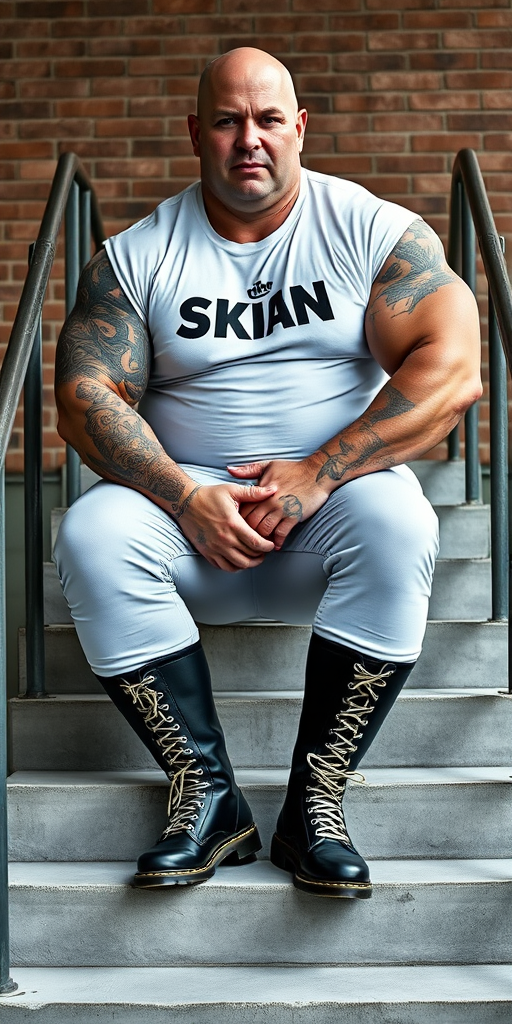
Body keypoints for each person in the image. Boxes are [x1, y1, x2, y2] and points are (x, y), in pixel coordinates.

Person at [54, 47, 481, 899]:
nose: (249, 139)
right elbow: (82, 394)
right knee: (90, 532)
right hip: (189, 524)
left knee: (401, 521)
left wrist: (320, 472)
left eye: (267, 119)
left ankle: (313, 805)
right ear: (196, 133)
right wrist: (185, 493)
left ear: (299, 127)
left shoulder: (372, 230)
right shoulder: (136, 257)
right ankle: (208, 797)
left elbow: (456, 366)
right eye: (226, 120)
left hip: (330, 514)